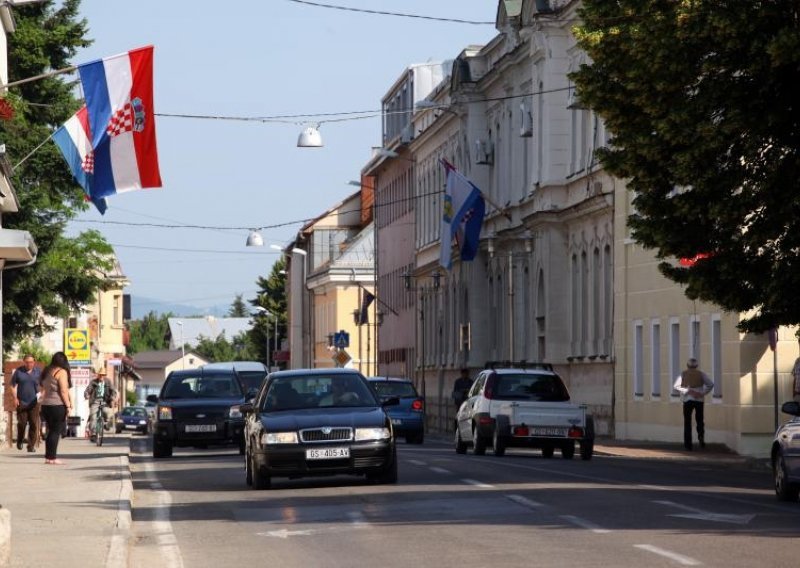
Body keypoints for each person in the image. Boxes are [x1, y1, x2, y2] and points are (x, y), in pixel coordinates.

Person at [39, 352, 73, 465]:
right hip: (57, 405)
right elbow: (63, 391)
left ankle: (48, 457)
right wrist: (68, 406)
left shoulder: (46, 371)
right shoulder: (61, 372)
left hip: (45, 405)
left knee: (50, 431)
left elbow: (41, 387)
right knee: (55, 431)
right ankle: (52, 457)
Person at [673, 358, 714, 451]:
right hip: (699, 400)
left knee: (687, 422)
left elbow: (676, 386)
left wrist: (688, 391)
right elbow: (710, 384)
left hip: (687, 400)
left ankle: (688, 444)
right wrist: (702, 393)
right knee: (699, 420)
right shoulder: (701, 374)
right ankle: (700, 436)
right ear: (696, 366)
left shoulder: (683, 374)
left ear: (687, 366)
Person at [11, 354, 42, 452]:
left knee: (33, 424)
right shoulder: (18, 371)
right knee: (22, 423)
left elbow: (44, 384)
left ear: (34, 362)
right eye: (27, 362)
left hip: (34, 402)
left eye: (31, 362)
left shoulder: (38, 372)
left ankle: (31, 446)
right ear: (24, 362)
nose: (29, 364)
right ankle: (20, 440)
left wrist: (42, 395)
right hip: (22, 402)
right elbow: (12, 385)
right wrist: (15, 398)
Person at [84, 364, 118, 437]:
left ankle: (106, 424)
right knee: (93, 417)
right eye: (100, 375)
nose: (101, 376)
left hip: (105, 401)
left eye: (103, 375)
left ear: (105, 375)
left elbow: (113, 391)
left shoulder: (108, 382)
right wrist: (86, 395)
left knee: (108, 413)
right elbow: (88, 390)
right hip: (95, 401)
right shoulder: (93, 382)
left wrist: (112, 398)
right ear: (98, 375)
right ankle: (93, 432)